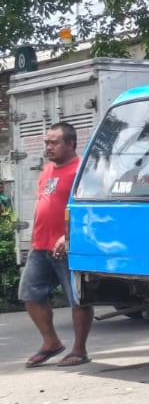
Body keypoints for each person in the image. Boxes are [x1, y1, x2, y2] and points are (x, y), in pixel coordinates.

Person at [19, 122, 94, 368]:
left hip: (68, 247)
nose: (48, 147)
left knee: (78, 299)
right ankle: (50, 342)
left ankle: (79, 349)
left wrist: (68, 236)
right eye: (46, 142)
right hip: (40, 245)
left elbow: (88, 209)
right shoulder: (46, 170)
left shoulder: (81, 169)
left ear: (71, 143)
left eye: (54, 142)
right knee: (30, 294)